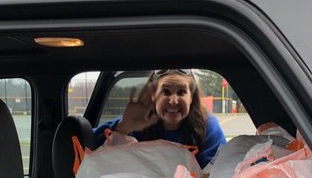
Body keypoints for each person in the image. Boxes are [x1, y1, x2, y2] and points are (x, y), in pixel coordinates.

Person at [93, 68, 227, 168]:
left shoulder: (207, 126)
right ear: (153, 96)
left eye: (181, 92)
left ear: (191, 97)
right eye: (166, 91)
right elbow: (92, 152)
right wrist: (124, 128)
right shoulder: (134, 122)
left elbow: (220, 170)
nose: (173, 101)